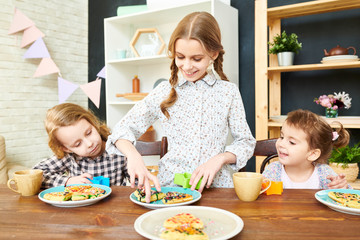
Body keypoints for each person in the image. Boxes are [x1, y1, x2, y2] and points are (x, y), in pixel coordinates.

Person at [106, 11, 256, 201]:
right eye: (180, 57)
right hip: (170, 188)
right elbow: (121, 130)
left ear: (214, 54)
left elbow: (245, 142)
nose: (186, 66)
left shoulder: (228, 92)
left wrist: (220, 158)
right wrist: (134, 156)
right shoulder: (163, 91)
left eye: (196, 59)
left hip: (217, 190)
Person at [33, 103, 129, 188]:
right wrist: (68, 181)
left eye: (89, 133)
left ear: (92, 123)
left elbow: (139, 181)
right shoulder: (69, 157)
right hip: (80, 207)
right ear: (66, 148)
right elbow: (35, 174)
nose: (89, 144)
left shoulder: (118, 148)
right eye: (78, 144)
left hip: (115, 206)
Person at [262, 109, 351, 189]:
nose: (281, 144)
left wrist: (342, 187)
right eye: (281, 137)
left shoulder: (324, 174)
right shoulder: (273, 171)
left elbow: (346, 197)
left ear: (312, 154)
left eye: (292, 142)